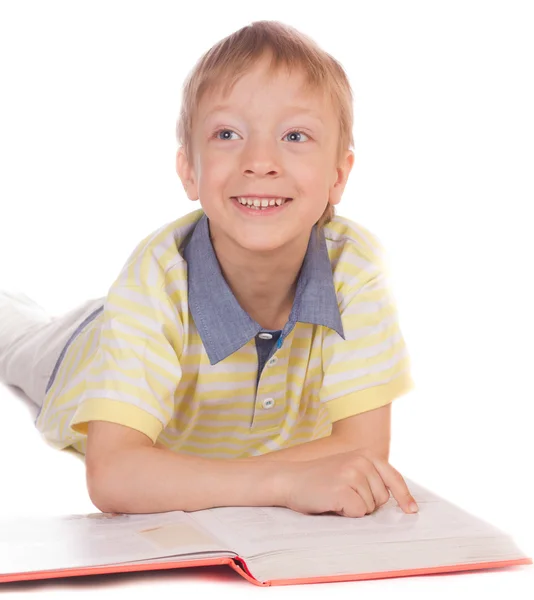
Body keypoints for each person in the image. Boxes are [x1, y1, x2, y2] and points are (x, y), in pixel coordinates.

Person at [0, 20, 419, 519]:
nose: (260, 161)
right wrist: (285, 480)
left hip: (144, 339)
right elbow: (115, 476)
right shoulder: (157, 275)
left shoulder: (355, 266)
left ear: (338, 175)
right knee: (15, 334)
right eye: (227, 133)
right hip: (78, 354)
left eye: (295, 135)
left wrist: (223, 479)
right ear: (189, 170)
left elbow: (364, 452)